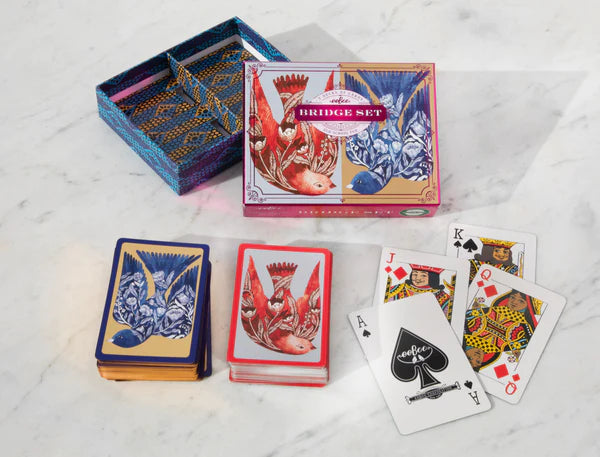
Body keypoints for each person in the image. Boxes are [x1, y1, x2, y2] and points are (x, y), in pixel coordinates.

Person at [463, 289, 542, 371]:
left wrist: (475, 312)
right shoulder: (512, 342)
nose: (476, 357)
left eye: (521, 301)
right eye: (478, 361)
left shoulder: (469, 326)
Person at [385, 264, 454, 321]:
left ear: (432, 278)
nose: (418, 278)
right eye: (415, 274)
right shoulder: (399, 289)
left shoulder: (442, 296)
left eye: (423, 275)